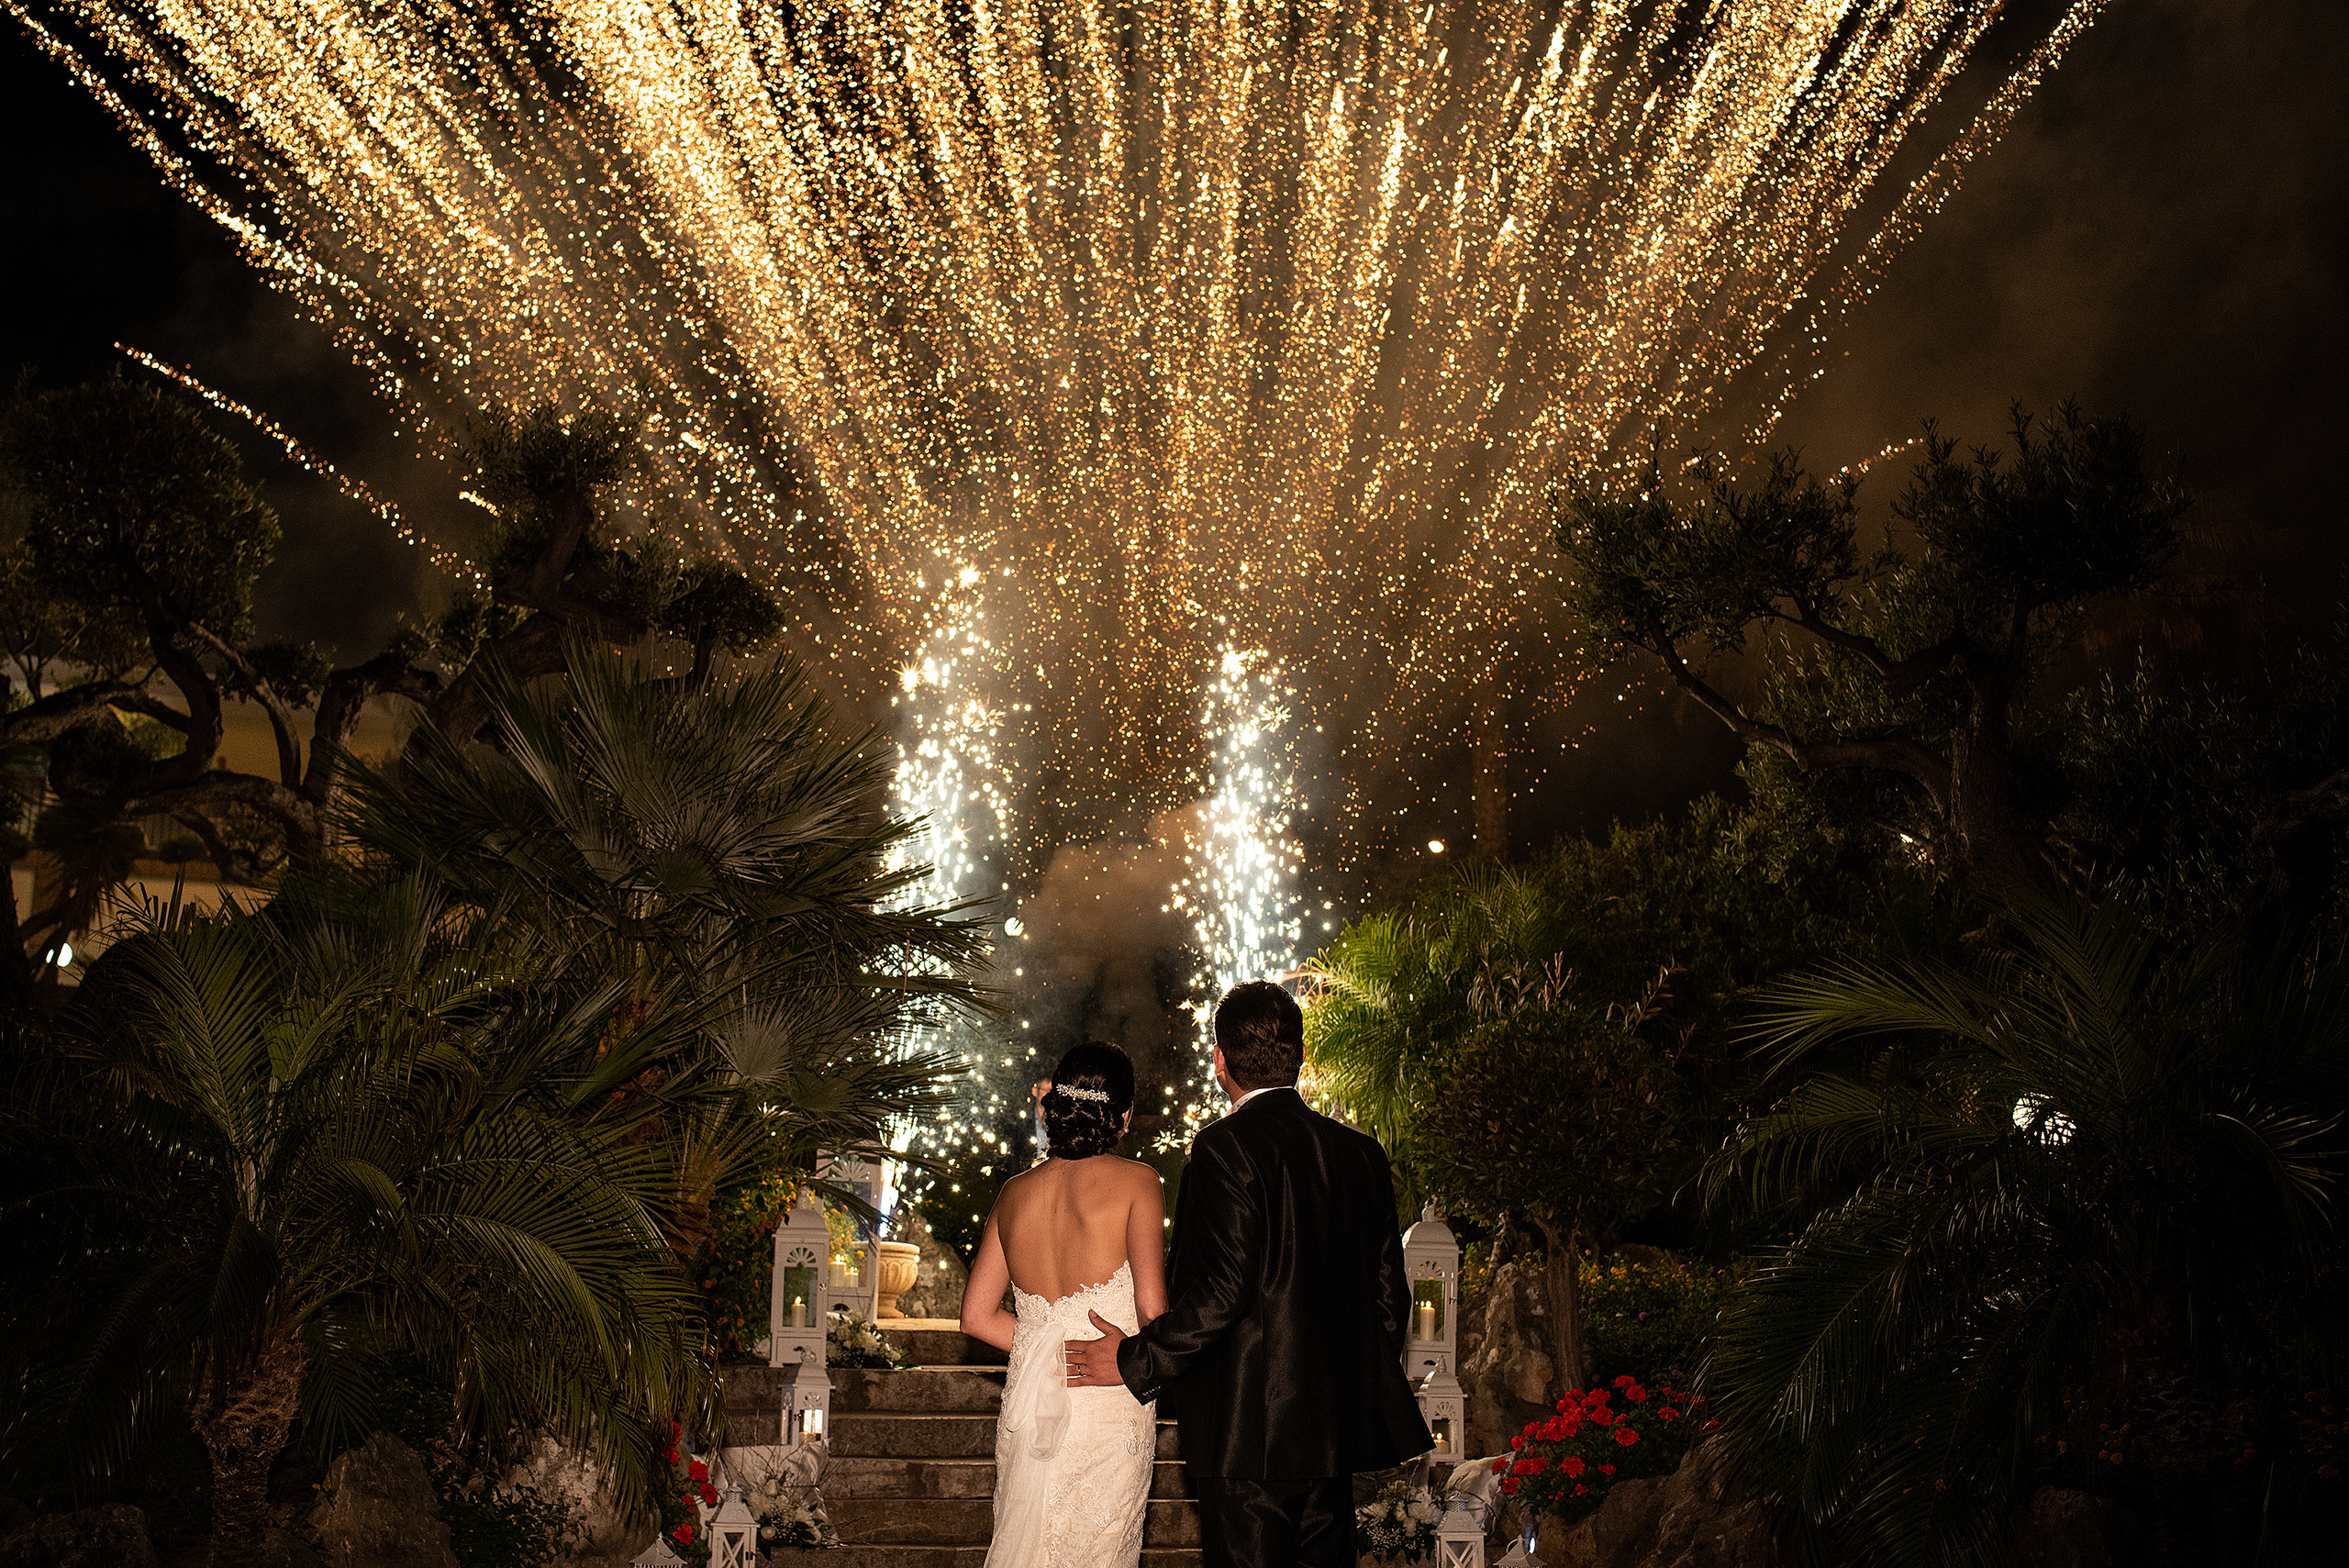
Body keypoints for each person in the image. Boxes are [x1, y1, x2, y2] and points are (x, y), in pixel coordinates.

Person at [1066, 980, 1431, 1567]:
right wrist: (1345, 1385)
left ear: (1219, 1059)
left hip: (1249, 1435)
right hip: (1333, 1436)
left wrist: (1137, 1359)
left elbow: (1220, 1292)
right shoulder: (1362, 1154)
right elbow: (1390, 1296)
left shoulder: (1221, 1148)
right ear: (1301, 1056)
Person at [962, 1040, 1168, 1568]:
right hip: (1109, 1401)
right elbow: (1153, 1314)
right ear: (1122, 1117)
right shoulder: (1139, 1183)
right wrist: (1121, 1356)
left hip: (1031, 1403)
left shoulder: (1014, 1193)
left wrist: (1048, 1353)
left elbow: (976, 1317)